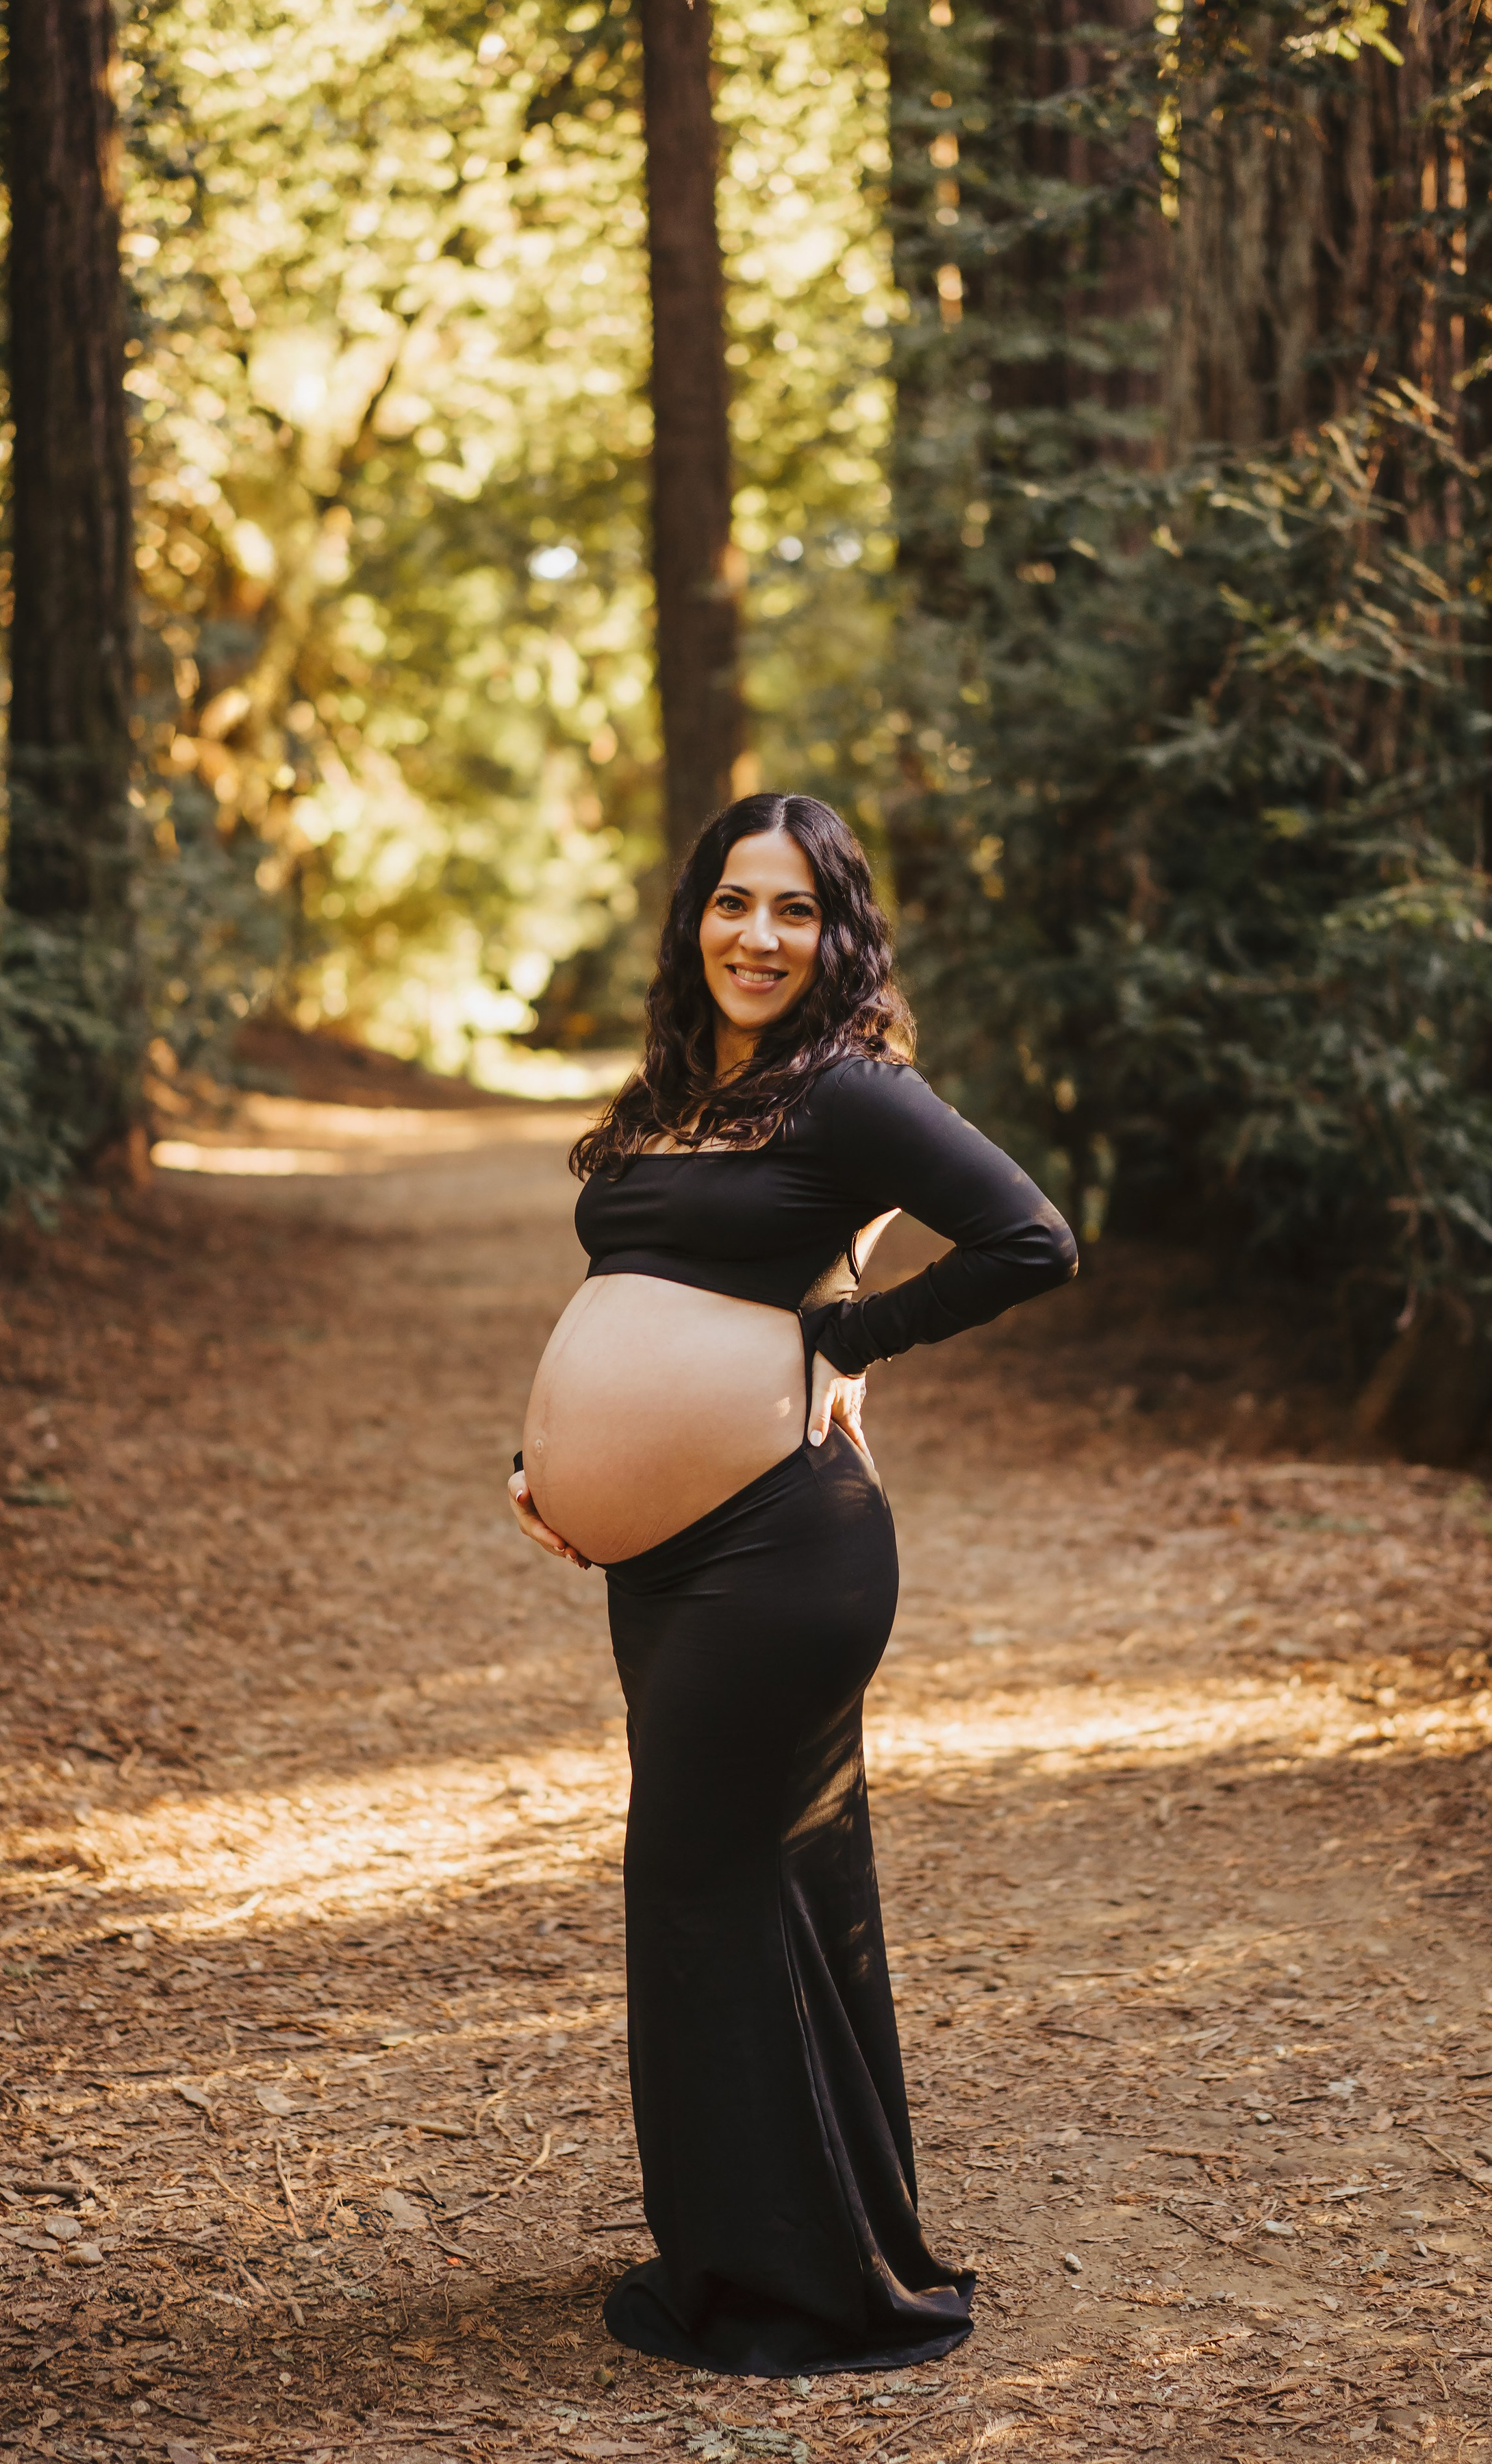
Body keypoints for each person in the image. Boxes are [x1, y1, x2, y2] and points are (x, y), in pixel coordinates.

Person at [507, 792, 1076, 2377]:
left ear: (837, 935)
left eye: (795, 911)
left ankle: (786, 2283)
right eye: (733, 902)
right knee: (760, 1882)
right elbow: (629, 1288)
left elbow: (1031, 1241)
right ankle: (802, 2228)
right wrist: (542, 1462)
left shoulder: (852, 1093)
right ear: (694, 917)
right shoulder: (682, 1093)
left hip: (784, 1541)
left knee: (691, 1879)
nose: (758, 937)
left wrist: (848, 1339)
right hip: (668, 1553)